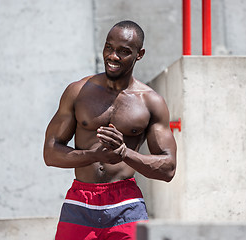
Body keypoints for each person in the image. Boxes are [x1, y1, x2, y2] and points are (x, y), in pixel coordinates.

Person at [43, 20, 177, 240]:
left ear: (139, 54)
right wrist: (93, 155)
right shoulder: (78, 91)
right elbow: (50, 153)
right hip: (80, 201)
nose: (113, 56)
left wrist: (125, 153)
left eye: (123, 51)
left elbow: (168, 169)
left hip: (126, 205)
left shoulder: (150, 102)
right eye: (109, 47)